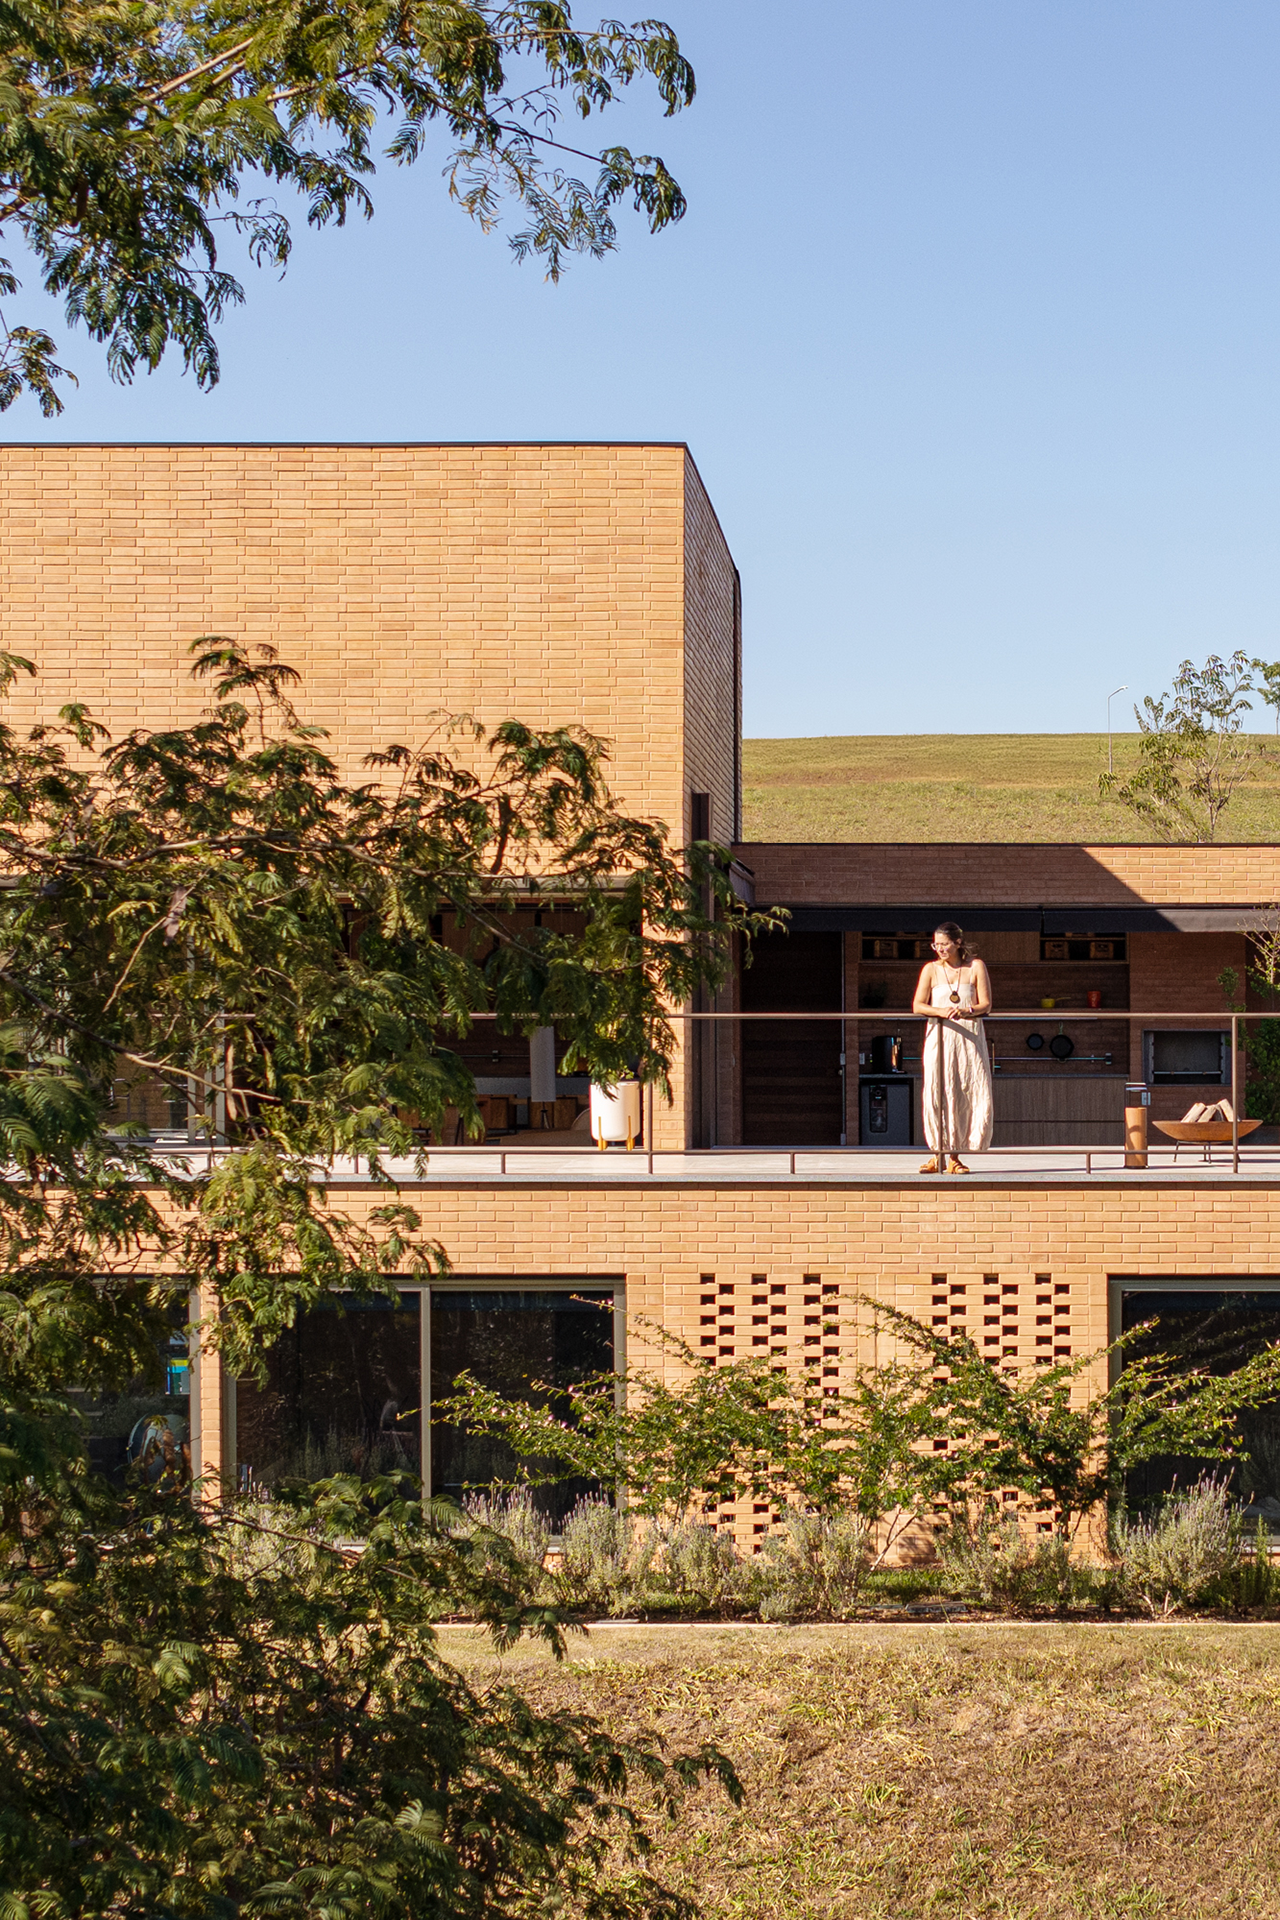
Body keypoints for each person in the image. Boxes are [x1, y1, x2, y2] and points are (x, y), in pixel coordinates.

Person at [912, 921, 993, 1174]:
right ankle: (938, 1153)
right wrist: (940, 1012)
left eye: (944, 944)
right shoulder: (930, 969)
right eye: (936, 944)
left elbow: (986, 1004)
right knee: (937, 1093)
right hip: (940, 1037)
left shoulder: (976, 966)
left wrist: (968, 1010)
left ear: (958, 942)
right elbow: (917, 1005)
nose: (940, 949)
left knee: (965, 1092)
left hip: (968, 1038)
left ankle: (956, 1156)